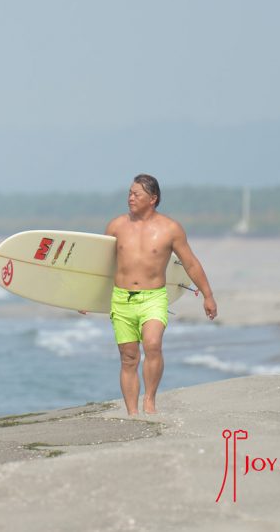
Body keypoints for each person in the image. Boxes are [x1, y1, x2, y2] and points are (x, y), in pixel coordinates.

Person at [102, 173, 217, 415]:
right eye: (129, 193)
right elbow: (100, 266)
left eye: (136, 194)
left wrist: (207, 295)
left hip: (153, 297)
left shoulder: (170, 229)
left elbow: (191, 264)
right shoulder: (116, 226)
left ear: (152, 198)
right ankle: (133, 413)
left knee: (153, 345)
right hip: (121, 298)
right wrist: (86, 298)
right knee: (129, 358)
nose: (130, 198)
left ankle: (150, 401)